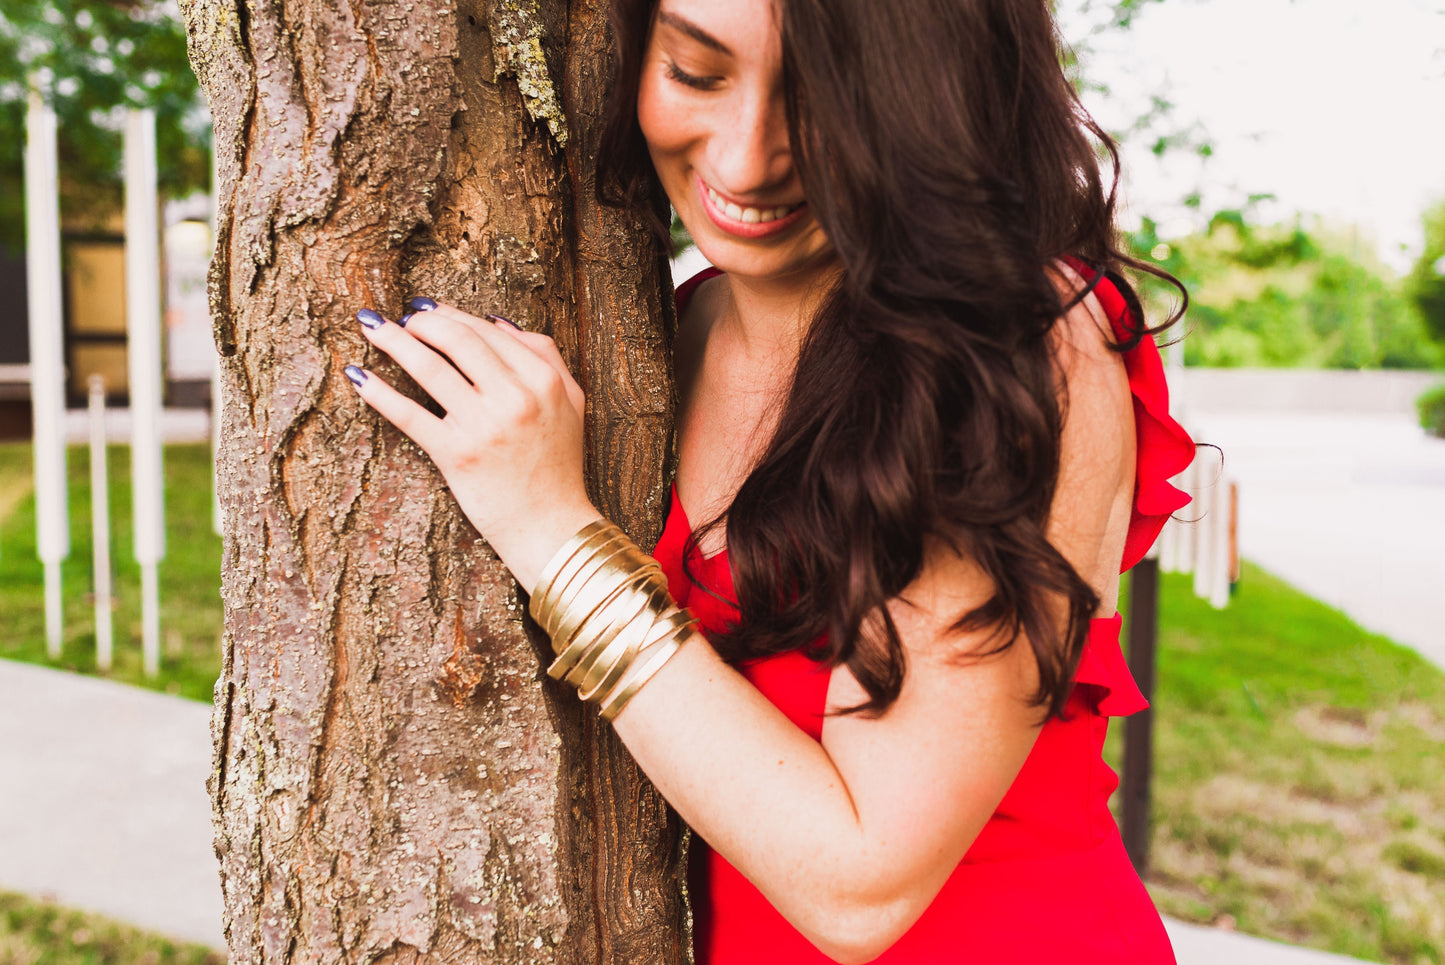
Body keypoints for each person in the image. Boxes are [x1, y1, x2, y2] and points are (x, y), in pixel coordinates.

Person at [343, 0, 1196, 961]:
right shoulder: (679, 325)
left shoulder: (1019, 348)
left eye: (824, 99)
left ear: (935, 98)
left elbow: (860, 883)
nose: (745, 159)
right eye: (695, 73)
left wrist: (547, 529)